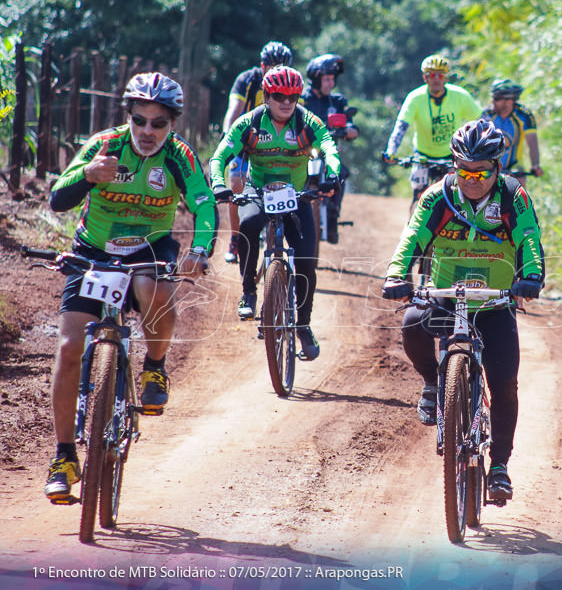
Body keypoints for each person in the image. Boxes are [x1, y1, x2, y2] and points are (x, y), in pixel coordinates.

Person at [43, 72, 215, 501]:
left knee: (154, 287)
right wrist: (88, 175)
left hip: (149, 248)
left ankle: (155, 367)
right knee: (68, 349)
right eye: (140, 120)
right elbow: (57, 198)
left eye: (159, 123)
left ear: (171, 124)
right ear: (129, 118)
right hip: (94, 250)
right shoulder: (104, 145)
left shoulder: (180, 156)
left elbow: (204, 203)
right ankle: (64, 456)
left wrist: (201, 249)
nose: (148, 131)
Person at [381, 119, 545, 501]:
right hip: (446, 293)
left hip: (494, 298)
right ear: (453, 166)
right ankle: (432, 382)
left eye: (481, 172)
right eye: (464, 170)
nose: (472, 179)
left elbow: (529, 237)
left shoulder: (512, 196)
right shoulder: (438, 195)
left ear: (497, 169)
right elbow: (413, 236)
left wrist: (532, 275)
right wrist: (395, 274)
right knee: (412, 324)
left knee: (504, 383)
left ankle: (500, 466)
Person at [209, 65, 342, 361]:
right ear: (266, 97)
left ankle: (304, 325)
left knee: (307, 260)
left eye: (292, 97)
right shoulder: (250, 123)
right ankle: (248, 292)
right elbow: (219, 156)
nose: (285, 102)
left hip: (295, 193)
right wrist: (218, 183)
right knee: (248, 224)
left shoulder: (308, 122)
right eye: (279, 95)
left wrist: (333, 174)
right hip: (259, 189)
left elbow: (330, 149)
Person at [220, 41, 293, 263]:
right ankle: (235, 238)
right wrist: (227, 135)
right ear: (262, 66)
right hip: (247, 140)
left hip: (279, 143)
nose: (277, 71)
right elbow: (234, 110)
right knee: (236, 184)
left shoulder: (292, 83)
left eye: (282, 66)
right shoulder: (247, 80)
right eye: (272, 66)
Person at [382, 54, 482, 210]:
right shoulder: (415, 98)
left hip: (452, 155)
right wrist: (391, 151)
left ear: (446, 78)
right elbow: (401, 127)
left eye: (440, 75)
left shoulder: (460, 96)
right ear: (425, 77)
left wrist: (481, 148)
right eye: (432, 75)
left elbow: (481, 121)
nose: (436, 79)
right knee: (419, 192)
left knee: (459, 195)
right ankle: (415, 224)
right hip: (422, 155)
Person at [300, 53, 359, 244]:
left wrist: (349, 129)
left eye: (332, 79)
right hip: (302, 153)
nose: (330, 83)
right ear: (315, 79)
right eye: (326, 79)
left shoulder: (337, 101)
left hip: (328, 153)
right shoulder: (301, 99)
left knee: (339, 173)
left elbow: (350, 123)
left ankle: (333, 213)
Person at [481, 79, 543, 180]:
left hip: (513, 166)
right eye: (493, 97)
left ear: (509, 101)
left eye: (496, 98)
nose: (492, 101)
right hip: (490, 166)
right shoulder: (487, 114)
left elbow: (532, 142)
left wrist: (535, 165)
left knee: (519, 182)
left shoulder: (524, 115)